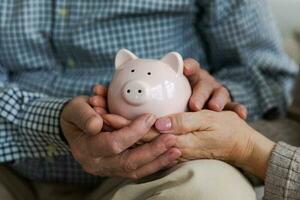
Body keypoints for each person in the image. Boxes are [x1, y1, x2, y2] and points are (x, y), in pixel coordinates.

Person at [0, 0, 297, 199]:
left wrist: (214, 104)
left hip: (160, 169)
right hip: (11, 163)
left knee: (212, 191)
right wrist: (53, 121)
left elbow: (268, 74)